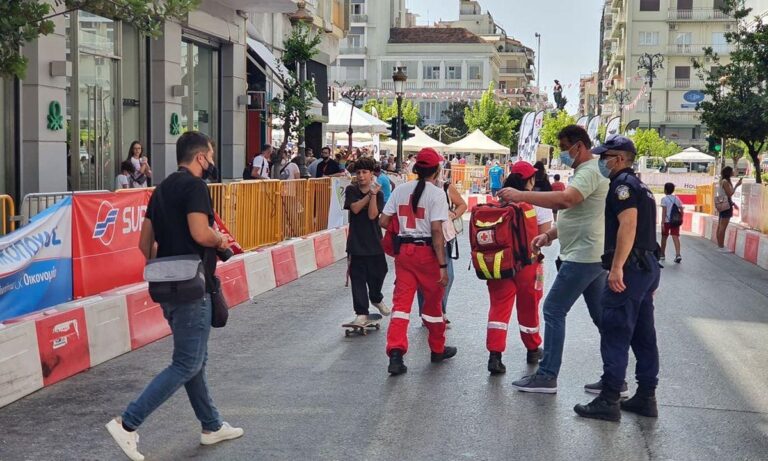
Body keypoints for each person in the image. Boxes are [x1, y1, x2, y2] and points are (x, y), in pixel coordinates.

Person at [106, 131, 243, 461]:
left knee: (195, 360)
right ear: (200, 157)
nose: (212, 162)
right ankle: (128, 424)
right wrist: (220, 240)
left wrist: (169, 260)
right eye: (210, 156)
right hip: (192, 287)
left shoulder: (161, 189)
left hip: (166, 287)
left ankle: (211, 425)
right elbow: (200, 232)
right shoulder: (195, 187)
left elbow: (144, 245)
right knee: (186, 362)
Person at [499, 125, 611, 394]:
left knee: (553, 309)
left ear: (579, 146)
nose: (562, 154)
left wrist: (521, 195)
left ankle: (547, 375)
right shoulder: (589, 171)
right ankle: (615, 377)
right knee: (603, 318)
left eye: (563, 148)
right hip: (590, 254)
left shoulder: (589, 171)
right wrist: (549, 234)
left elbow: (566, 200)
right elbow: (581, 215)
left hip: (582, 256)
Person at [574, 136, 661, 422]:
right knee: (643, 334)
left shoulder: (622, 186)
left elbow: (629, 224)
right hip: (646, 265)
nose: (602, 161)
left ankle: (609, 398)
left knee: (615, 330)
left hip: (631, 267)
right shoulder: (642, 186)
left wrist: (617, 267)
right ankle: (646, 397)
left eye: (605, 156)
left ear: (620, 159)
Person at [380, 148, 457, 375]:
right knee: (433, 306)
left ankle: (395, 354)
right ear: (437, 170)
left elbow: (384, 221)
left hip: (404, 254)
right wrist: (442, 266)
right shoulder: (437, 194)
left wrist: (404, 227)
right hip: (428, 256)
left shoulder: (400, 190)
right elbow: (437, 232)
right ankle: (437, 349)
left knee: (401, 306)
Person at [485, 161, 553, 374]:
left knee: (498, 308)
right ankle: (532, 349)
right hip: (529, 265)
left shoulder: (500, 201)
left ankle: (495, 356)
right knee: (529, 306)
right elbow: (546, 239)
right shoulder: (539, 203)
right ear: (530, 180)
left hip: (500, 263)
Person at [415, 168, 468, 325]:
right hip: (422, 237)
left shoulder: (445, 187)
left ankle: (440, 310)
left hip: (444, 237)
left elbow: (462, 205)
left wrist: (453, 214)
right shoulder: (415, 188)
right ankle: (427, 312)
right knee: (424, 278)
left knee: (447, 275)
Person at [344, 157, 391, 327]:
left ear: (372, 174)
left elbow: (372, 215)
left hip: (374, 241)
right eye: (358, 173)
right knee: (357, 278)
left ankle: (376, 298)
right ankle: (361, 312)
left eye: (365, 172)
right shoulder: (351, 190)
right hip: (356, 242)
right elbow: (355, 208)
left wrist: (373, 194)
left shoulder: (379, 193)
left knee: (380, 272)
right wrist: (369, 194)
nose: (361, 176)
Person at [716, 166, 741, 251]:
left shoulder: (722, 181)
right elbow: (729, 194)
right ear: (728, 172)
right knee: (723, 227)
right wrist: (736, 186)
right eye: (732, 171)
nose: (733, 172)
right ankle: (721, 247)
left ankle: (719, 245)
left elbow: (724, 195)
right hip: (726, 205)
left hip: (722, 204)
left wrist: (733, 203)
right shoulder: (725, 182)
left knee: (720, 226)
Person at [660, 182, 683, 264]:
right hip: (675, 221)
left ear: (665, 190)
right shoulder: (677, 198)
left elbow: (664, 211)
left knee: (664, 237)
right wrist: (680, 219)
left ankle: (662, 254)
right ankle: (678, 255)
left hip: (666, 221)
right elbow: (681, 209)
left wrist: (662, 223)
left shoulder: (664, 199)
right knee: (675, 236)